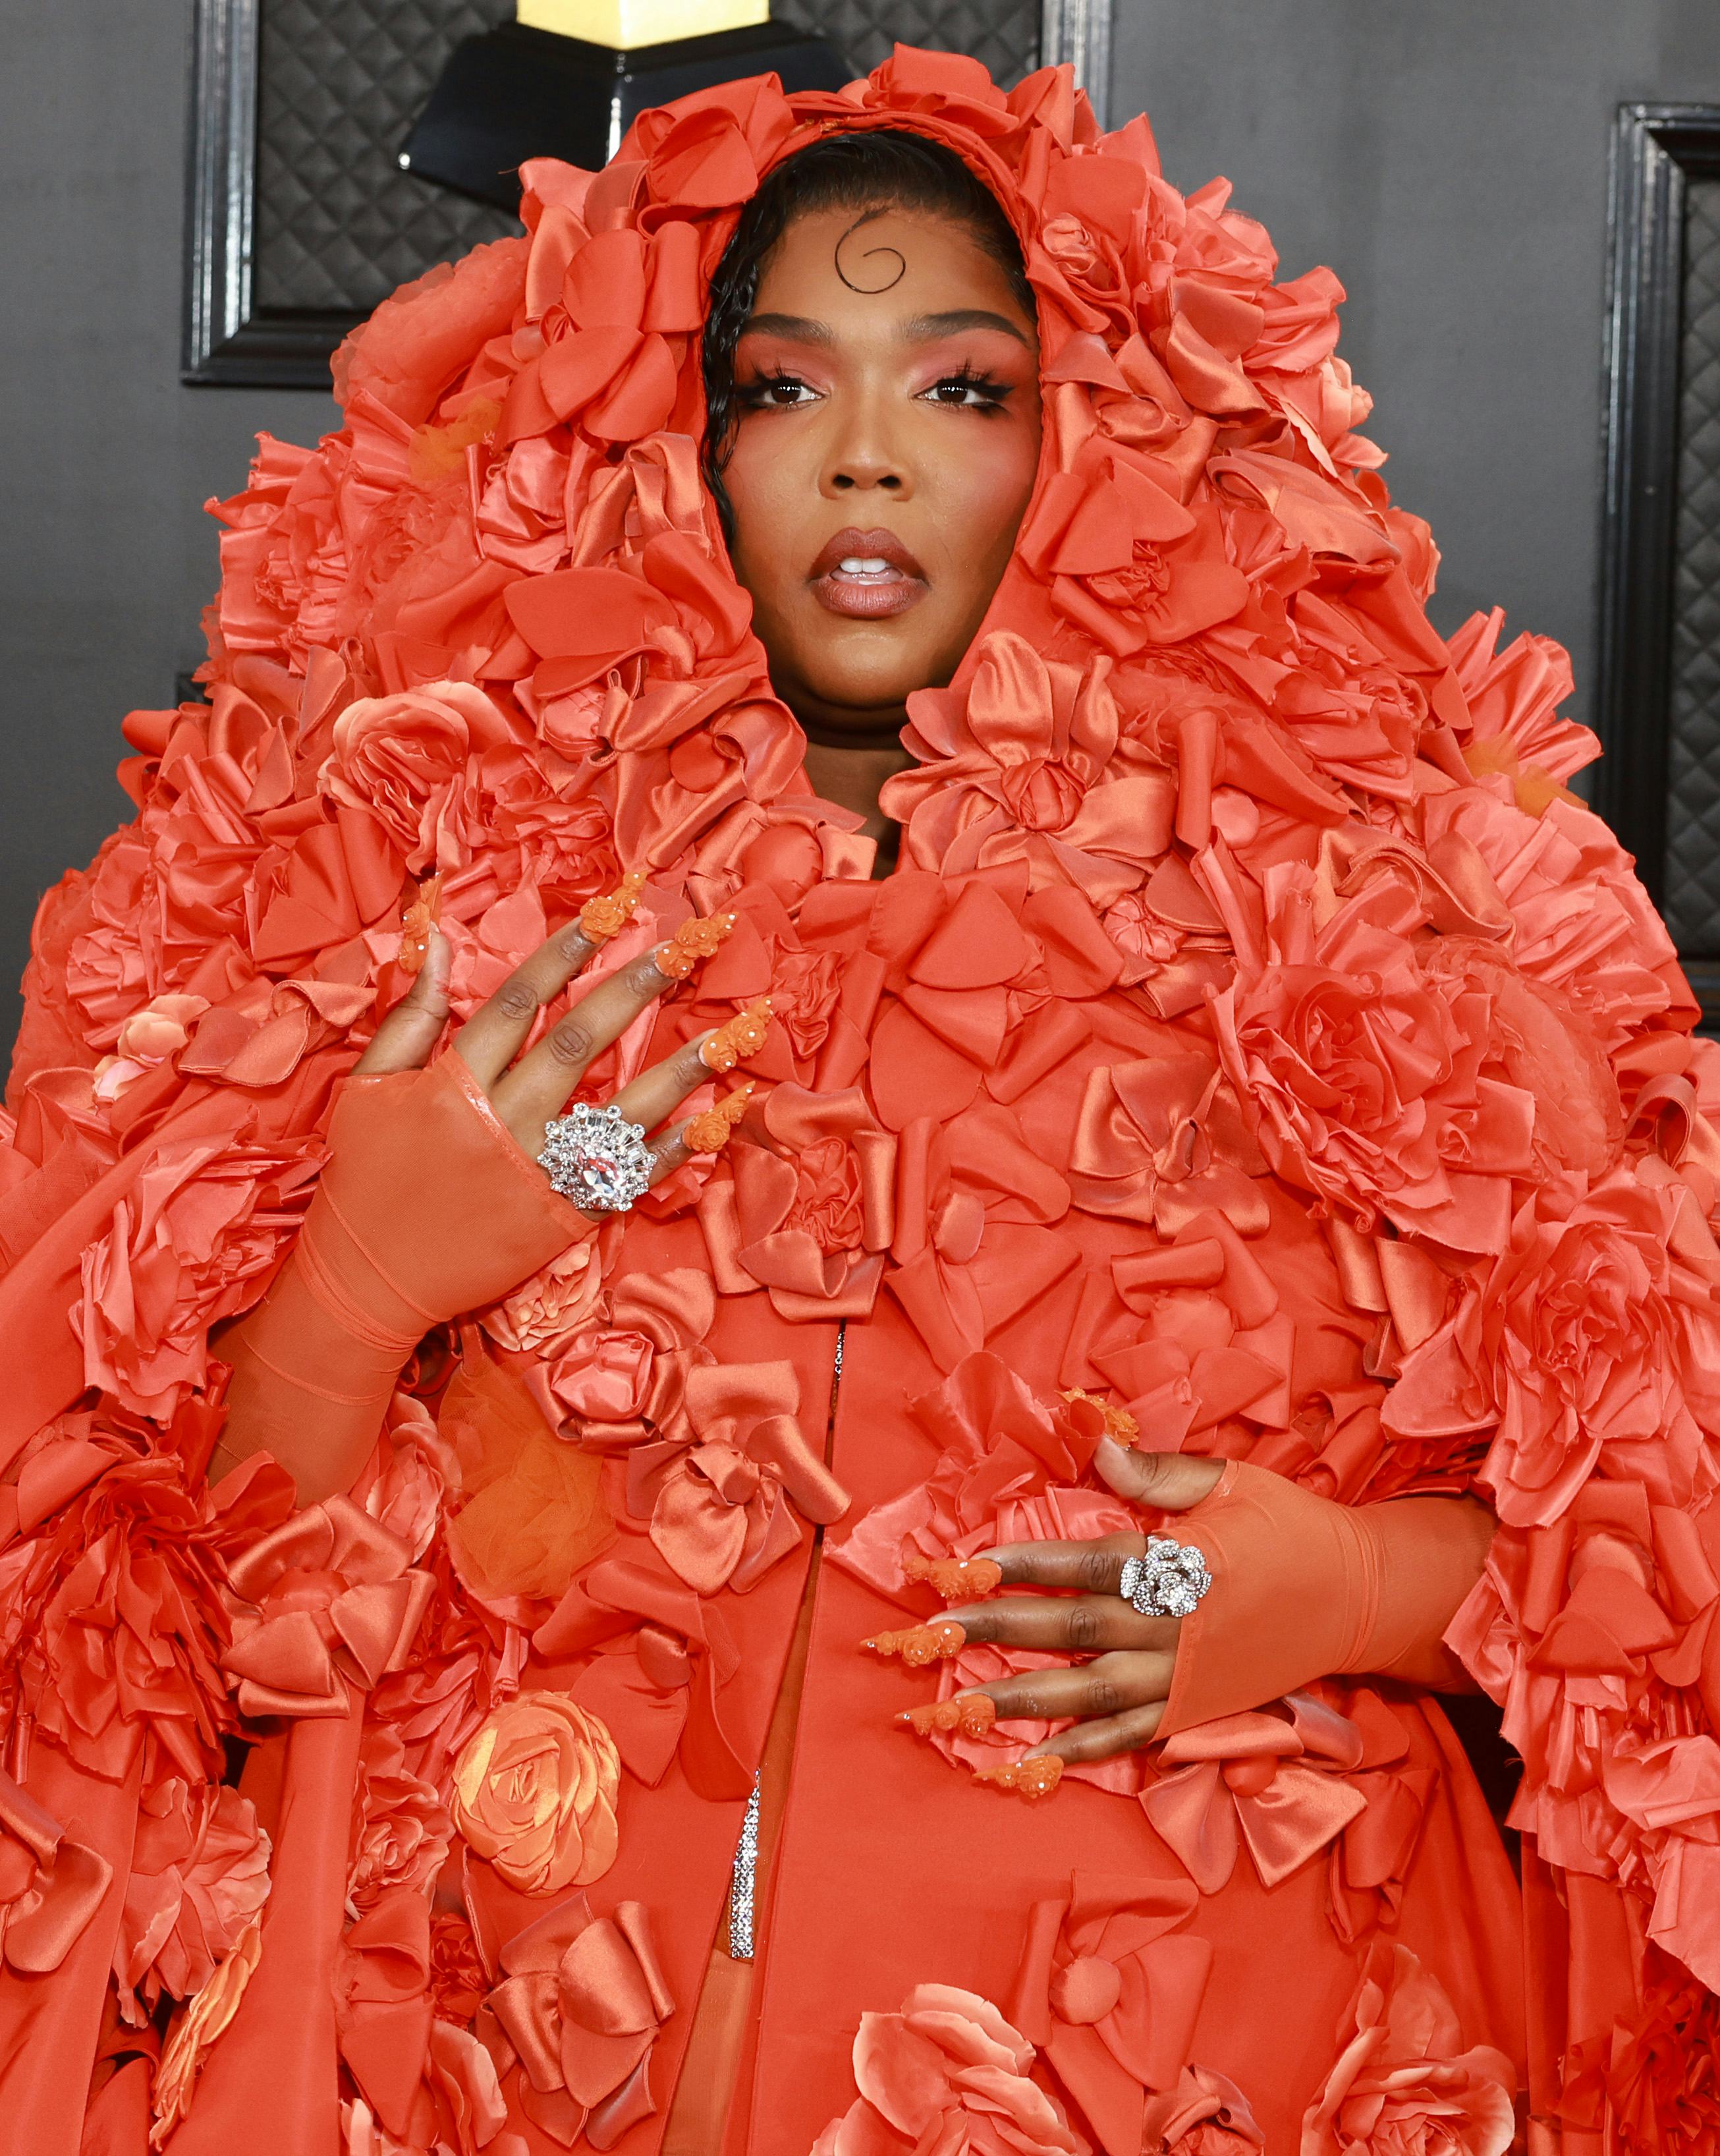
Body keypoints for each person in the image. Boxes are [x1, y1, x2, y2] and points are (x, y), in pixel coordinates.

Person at [0, 43, 1712, 2156]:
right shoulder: (441, 894)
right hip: (521, 2045)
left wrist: (1357, 1590)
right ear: (684, 444)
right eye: (785, 388)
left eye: (963, 387)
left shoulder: (1379, 917)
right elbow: (125, 1637)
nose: (869, 460)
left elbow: (1659, 1567)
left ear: (1099, 431)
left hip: (1195, 2046)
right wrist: (350, 1294)